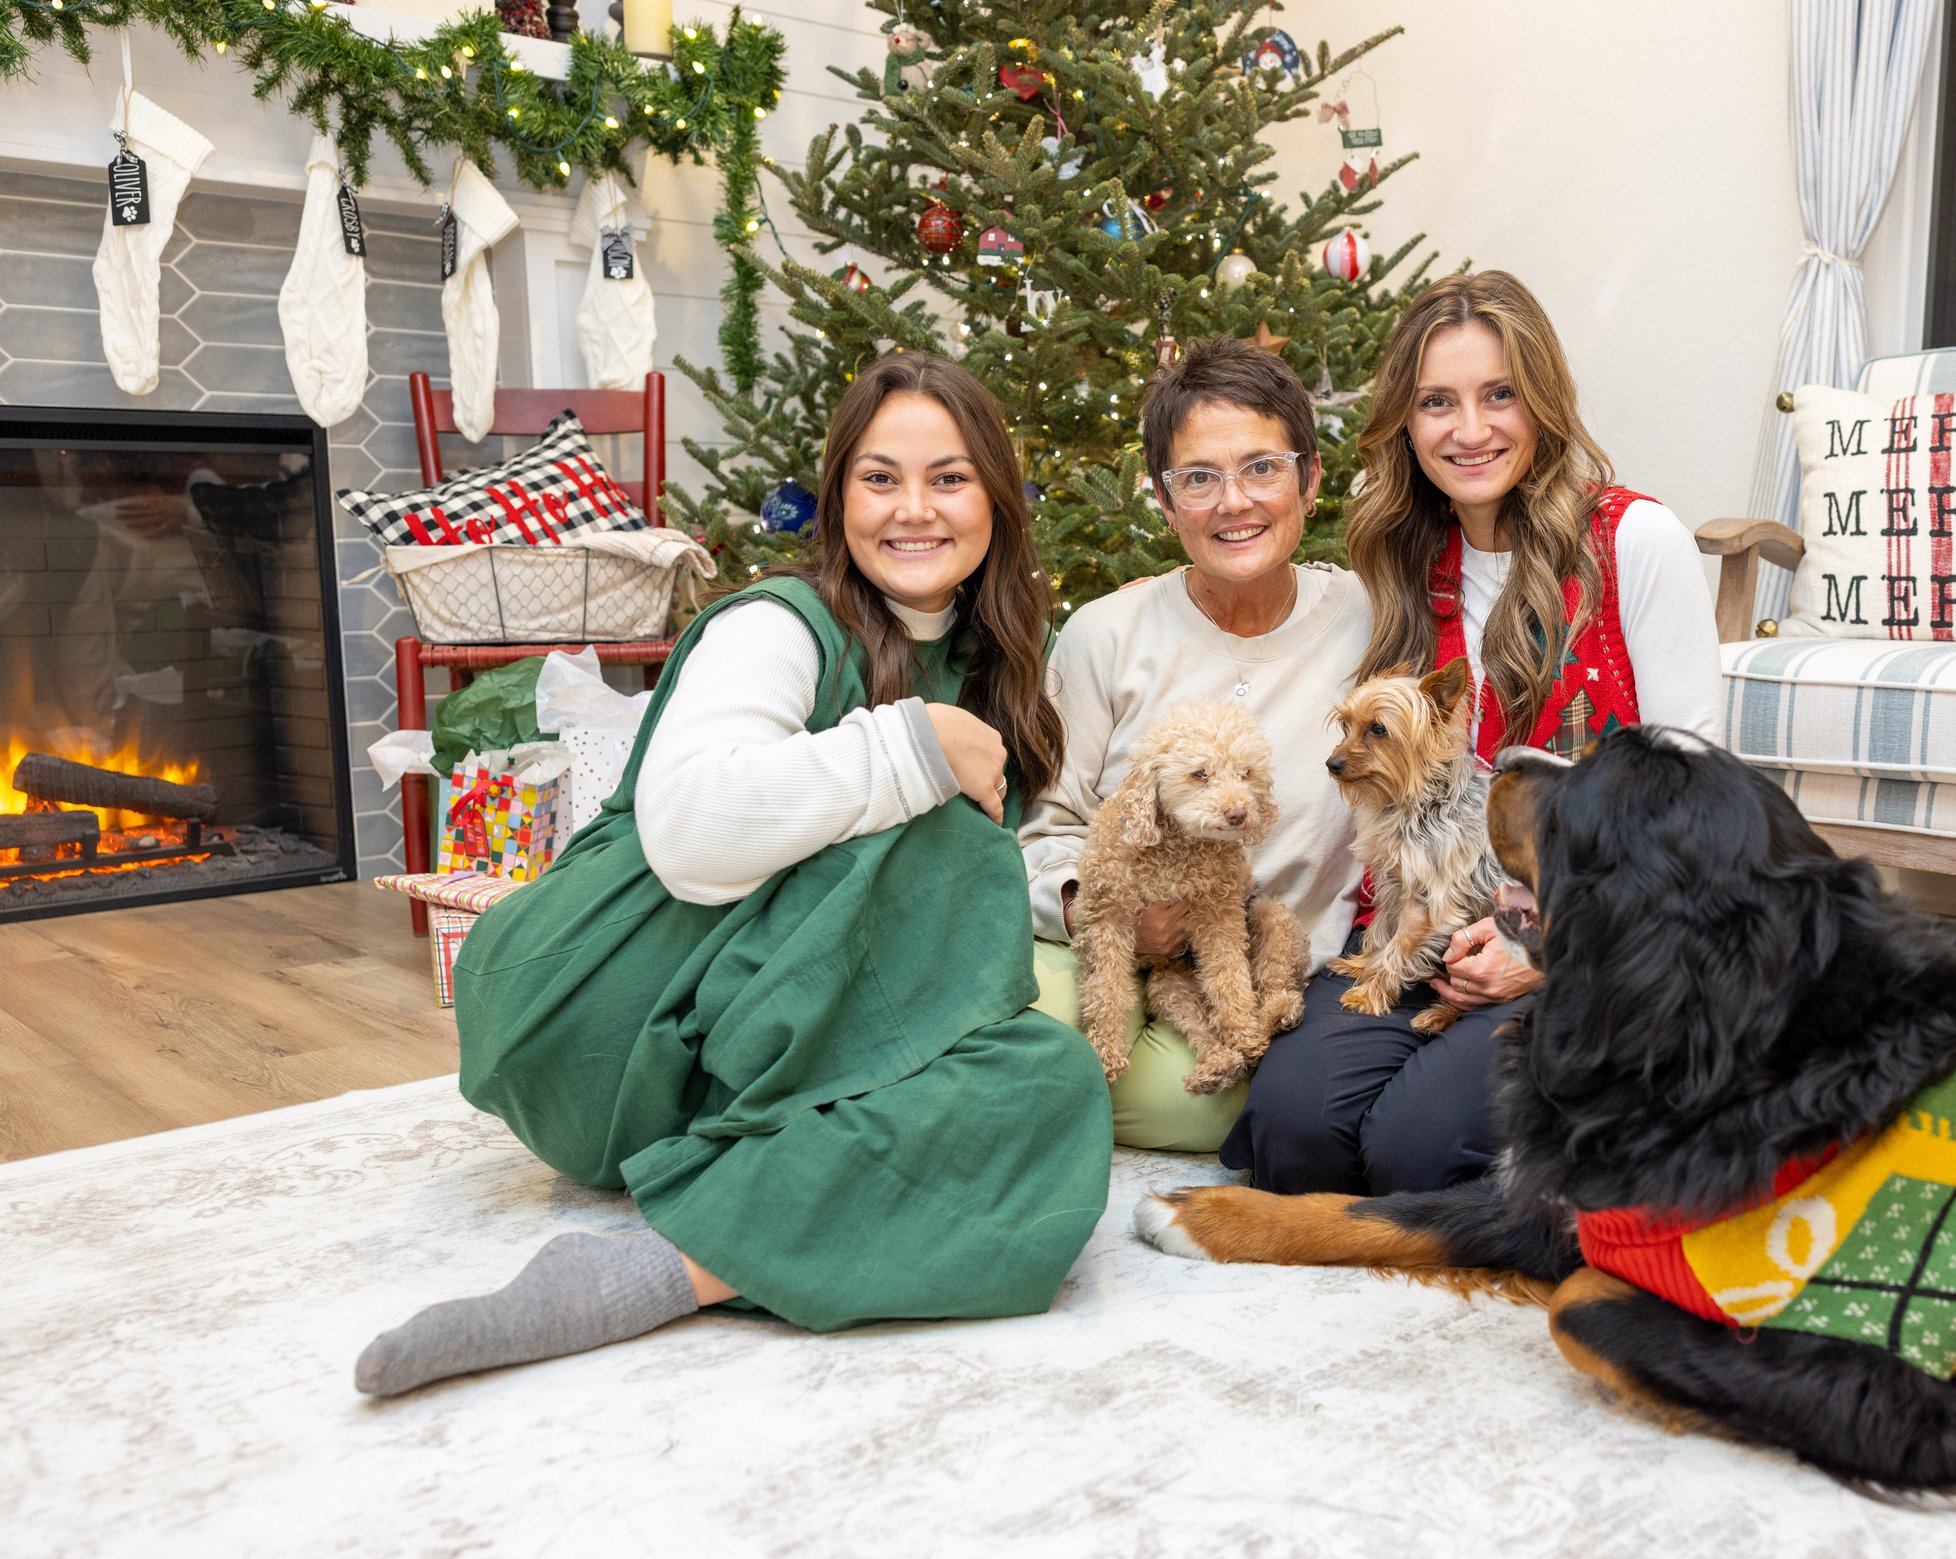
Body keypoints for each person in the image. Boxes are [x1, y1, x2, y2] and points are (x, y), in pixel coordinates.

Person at [354, 352, 1112, 1396]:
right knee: (940, 837)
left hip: (762, 1063)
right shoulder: (777, 623)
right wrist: (918, 744)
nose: (913, 509)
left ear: (995, 498)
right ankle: (772, 1209)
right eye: (880, 478)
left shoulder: (1003, 663)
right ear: (838, 494)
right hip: (608, 1014)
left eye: (949, 478)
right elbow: (693, 837)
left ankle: (664, 1270)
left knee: (1049, 1086)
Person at [1223, 270, 1723, 1196]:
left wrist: (1547, 946)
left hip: (1586, 939)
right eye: (1436, 403)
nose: (1470, 429)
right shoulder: (1402, 562)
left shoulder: (1635, 542)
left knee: (1415, 1150)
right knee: (1293, 1131)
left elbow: (1695, 813)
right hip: (1420, 921)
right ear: (1406, 425)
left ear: (1542, 401)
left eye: (1499, 394)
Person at [1023, 337, 1371, 1153]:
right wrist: (1095, 909)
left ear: (1310, 480)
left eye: (1262, 468)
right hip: (1108, 935)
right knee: (1030, 1037)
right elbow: (1044, 825)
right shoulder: (1105, 633)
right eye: (1199, 478)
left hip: (1253, 962)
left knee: (1191, 1106)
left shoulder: (1368, 618)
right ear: (1164, 498)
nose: (1233, 502)